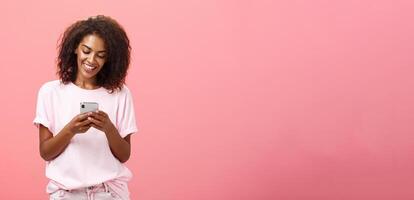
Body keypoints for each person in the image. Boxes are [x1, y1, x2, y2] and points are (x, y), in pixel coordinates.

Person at [33, 15, 138, 200]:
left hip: (109, 193)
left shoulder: (121, 94)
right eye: (86, 50)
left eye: (101, 55)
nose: (91, 60)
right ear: (75, 48)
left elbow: (124, 155)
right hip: (66, 194)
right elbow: (46, 152)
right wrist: (71, 129)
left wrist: (108, 128)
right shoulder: (50, 92)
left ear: (109, 59)